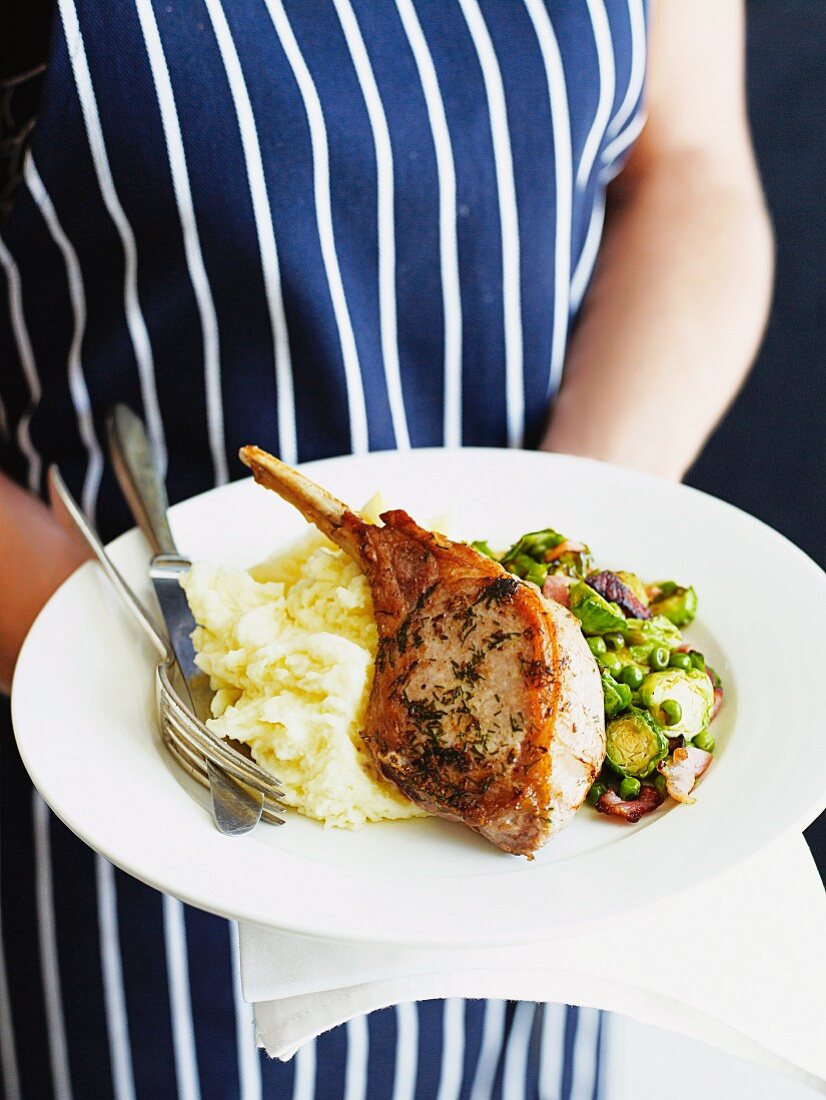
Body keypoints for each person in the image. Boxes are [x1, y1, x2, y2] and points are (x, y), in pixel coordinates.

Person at [0, 0, 772, 1096]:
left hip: (534, 898)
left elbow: (688, 171)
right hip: (161, 802)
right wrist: (126, 664)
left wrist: (551, 605)